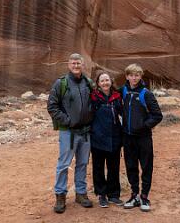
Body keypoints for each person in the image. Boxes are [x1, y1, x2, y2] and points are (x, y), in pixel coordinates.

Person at [47, 53, 94, 214]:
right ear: (69, 65)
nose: (76, 66)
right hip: (68, 132)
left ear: (82, 65)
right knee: (64, 164)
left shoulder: (88, 83)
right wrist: (67, 121)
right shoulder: (61, 83)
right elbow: (52, 106)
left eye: (78, 63)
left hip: (85, 131)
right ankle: (60, 195)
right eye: (73, 63)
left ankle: (80, 193)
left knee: (82, 163)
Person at [120, 64, 163, 212]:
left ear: (140, 76)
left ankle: (144, 197)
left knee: (146, 167)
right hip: (128, 137)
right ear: (127, 76)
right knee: (131, 166)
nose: (134, 78)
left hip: (143, 138)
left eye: (137, 75)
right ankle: (134, 196)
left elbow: (157, 115)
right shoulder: (123, 91)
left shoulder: (146, 93)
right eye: (131, 75)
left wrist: (144, 126)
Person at [90, 72, 124, 208]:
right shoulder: (93, 97)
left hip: (114, 137)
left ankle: (114, 195)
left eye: (107, 80)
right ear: (98, 83)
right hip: (97, 137)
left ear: (111, 81)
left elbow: (123, 113)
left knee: (113, 167)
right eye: (102, 81)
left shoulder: (117, 96)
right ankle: (101, 194)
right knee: (98, 167)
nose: (105, 83)